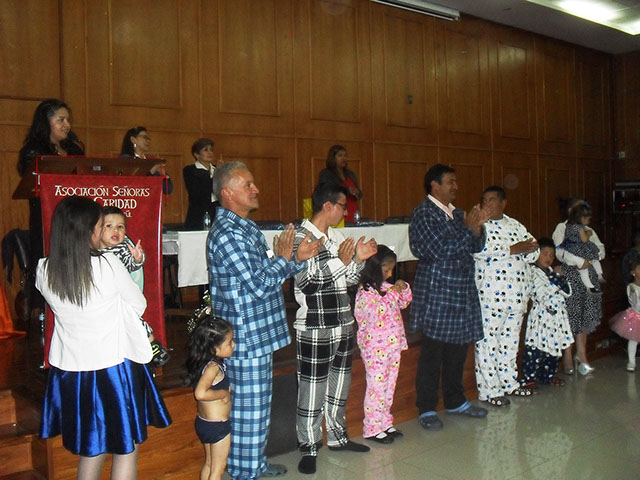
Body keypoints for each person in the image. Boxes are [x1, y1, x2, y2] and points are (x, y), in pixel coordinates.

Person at [36, 196, 171, 480]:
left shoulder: (44, 269)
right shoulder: (108, 264)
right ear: (88, 231)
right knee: (126, 447)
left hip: (73, 371)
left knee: (91, 447)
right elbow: (139, 305)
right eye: (100, 225)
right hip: (114, 365)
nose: (103, 231)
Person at [206, 162, 321, 480]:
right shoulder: (228, 234)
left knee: (257, 406)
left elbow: (264, 275)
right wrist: (286, 259)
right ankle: (245, 472)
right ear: (228, 193)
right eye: (248, 184)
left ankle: (253, 464)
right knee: (248, 409)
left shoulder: (243, 227)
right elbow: (258, 284)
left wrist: (295, 258)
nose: (255, 189)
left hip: (257, 332)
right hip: (244, 335)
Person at [291, 182, 377, 475]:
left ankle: (338, 437)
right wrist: (342, 260)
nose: (346, 211)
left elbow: (348, 280)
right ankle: (309, 446)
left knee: (339, 387)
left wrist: (357, 261)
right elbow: (308, 283)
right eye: (342, 206)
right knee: (312, 390)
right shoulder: (300, 237)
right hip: (315, 326)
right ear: (327, 206)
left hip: (343, 322)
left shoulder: (337, 236)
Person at [409, 163, 495, 431]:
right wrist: (468, 229)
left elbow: (475, 246)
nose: (456, 186)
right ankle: (426, 408)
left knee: (458, 351)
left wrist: (478, 228)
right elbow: (439, 250)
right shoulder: (424, 213)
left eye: (455, 181)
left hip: (461, 290)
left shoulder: (457, 213)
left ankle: (456, 401)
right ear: (434, 185)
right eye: (450, 182)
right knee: (433, 354)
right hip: (438, 291)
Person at [473, 186, 539, 407]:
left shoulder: (516, 225)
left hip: (517, 297)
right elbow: (478, 251)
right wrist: (512, 250)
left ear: (504, 203)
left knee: (510, 343)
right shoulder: (480, 226)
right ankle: (490, 390)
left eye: (492, 200)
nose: (487, 204)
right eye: (484, 200)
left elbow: (534, 251)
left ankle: (509, 383)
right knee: (488, 343)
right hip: (491, 297)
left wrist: (526, 250)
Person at [354, 245, 412, 444]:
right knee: (376, 388)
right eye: (386, 270)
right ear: (374, 268)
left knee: (389, 386)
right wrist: (393, 294)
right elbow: (376, 313)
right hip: (375, 349)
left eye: (391, 270)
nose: (389, 275)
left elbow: (403, 303)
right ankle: (372, 427)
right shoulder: (365, 292)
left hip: (393, 346)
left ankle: (385, 422)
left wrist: (403, 288)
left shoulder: (386, 287)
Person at [98, 206, 170, 367]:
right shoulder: (93, 250)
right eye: (109, 226)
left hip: (121, 295)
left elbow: (130, 263)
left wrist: (137, 259)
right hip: (103, 297)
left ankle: (152, 344)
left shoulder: (122, 248)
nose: (115, 231)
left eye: (120, 227)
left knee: (134, 320)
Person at [18, 99, 85, 264]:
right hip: (47, 218)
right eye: (61, 120)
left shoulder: (74, 150)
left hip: (75, 217)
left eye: (68, 120)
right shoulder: (33, 151)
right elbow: (32, 182)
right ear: (45, 123)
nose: (67, 125)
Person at [552, 198, 603, 375]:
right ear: (570, 210)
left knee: (585, 313)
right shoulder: (562, 227)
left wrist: (591, 258)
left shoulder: (588, 229)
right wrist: (580, 261)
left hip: (588, 273)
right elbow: (560, 251)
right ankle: (567, 354)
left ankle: (581, 353)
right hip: (571, 274)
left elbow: (600, 248)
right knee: (571, 313)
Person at [185, 315, 235, 480]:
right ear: (215, 348)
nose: (233, 344)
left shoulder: (204, 363)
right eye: (229, 342)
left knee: (209, 464)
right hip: (217, 426)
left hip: (204, 423)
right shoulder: (213, 367)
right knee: (217, 470)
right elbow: (200, 393)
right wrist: (224, 393)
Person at [520, 238, 574, 388]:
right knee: (536, 350)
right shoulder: (532, 272)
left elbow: (568, 292)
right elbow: (541, 294)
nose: (548, 258)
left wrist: (558, 278)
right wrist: (556, 279)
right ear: (537, 254)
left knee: (553, 350)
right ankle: (529, 379)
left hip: (556, 318)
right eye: (545, 254)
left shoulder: (551, 271)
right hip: (541, 317)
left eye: (551, 255)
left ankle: (548, 376)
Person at [558, 203, 605, 294]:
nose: (589, 221)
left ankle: (590, 286)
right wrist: (588, 234)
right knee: (592, 260)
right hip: (578, 251)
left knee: (584, 270)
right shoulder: (578, 227)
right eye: (588, 219)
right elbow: (584, 239)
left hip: (572, 249)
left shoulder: (569, 226)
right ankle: (599, 275)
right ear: (582, 218)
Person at [120, 126, 173, 194]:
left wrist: (163, 173)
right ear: (133, 140)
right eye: (144, 137)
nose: (148, 141)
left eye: (148, 138)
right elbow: (132, 186)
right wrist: (151, 171)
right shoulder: (125, 160)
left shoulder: (151, 161)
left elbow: (168, 189)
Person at [610, 258, 640, 372]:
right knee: (633, 340)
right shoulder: (631, 287)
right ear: (633, 272)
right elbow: (636, 303)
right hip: (636, 317)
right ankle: (631, 362)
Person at [318, 144, 362, 222]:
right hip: (337, 212)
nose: (343, 158)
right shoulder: (326, 174)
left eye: (345, 155)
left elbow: (359, 194)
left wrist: (357, 192)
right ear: (333, 158)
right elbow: (328, 191)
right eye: (340, 155)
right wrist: (347, 191)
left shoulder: (350, 174)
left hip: (352, 211)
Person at [183, 138, 219, 230]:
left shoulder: (217, 169)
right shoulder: (190, 170)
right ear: (196, 154)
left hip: (217, 213)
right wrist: (216, 174)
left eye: (211, 150)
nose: (210, 152)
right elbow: (199, 191)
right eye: (205, 150)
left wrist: (221, 171)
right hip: (198, 215)